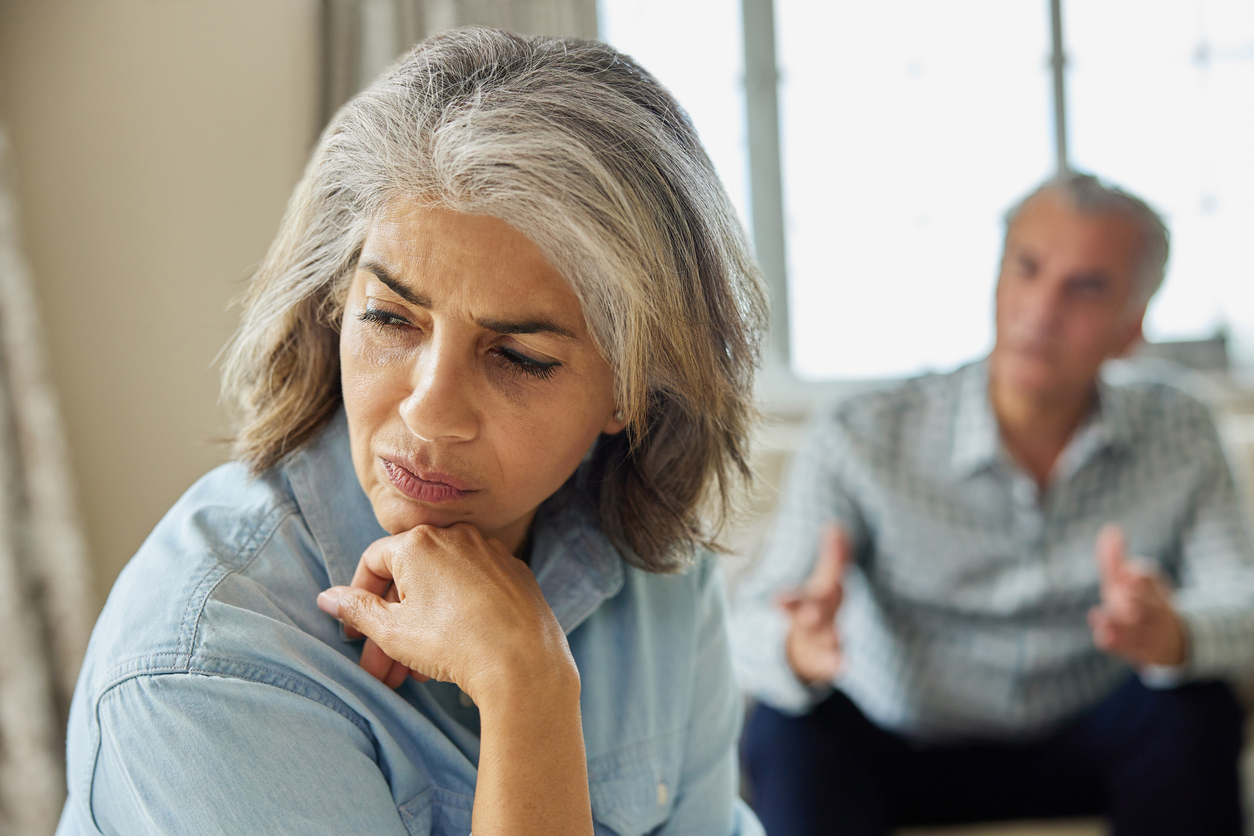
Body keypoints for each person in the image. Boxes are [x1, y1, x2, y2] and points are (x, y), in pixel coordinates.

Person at [57, 28, 769, 835]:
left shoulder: (657, 576)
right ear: (334, 306)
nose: (429, 409)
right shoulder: (208, 664)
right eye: (390, 318)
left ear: (630, 392)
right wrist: (525, 689)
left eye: (519, 356)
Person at [732, 172, 1254, 836]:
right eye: (1027, 269)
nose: (1042, 309)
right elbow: (747, 626)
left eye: (1086, 287)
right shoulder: (860, 437)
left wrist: (1174, 630)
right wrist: (798, 646)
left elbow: (1242, 598)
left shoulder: (1180, 429)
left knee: (1196, 703)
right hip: (900, 743)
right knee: (788, 721)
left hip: (1087, 736)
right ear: (997, 279)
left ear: (1132, 329)